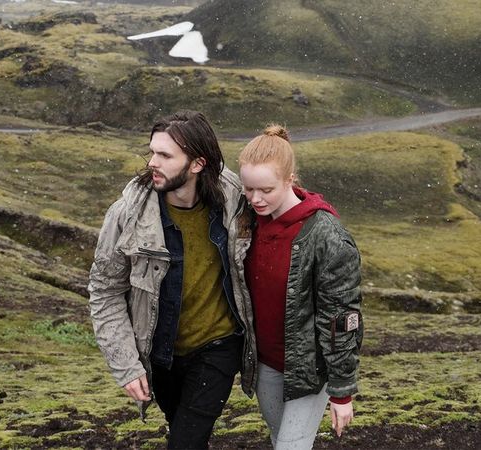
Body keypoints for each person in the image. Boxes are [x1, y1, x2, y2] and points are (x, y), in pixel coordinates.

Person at [87, 111, 257, 450]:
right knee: (184, 431)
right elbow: (105, 291)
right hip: (160, 355)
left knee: (185, 442)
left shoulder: (235, 198)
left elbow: (283, 200)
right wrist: (126, 364)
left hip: (218, 346)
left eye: (164, 155)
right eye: (152, 152)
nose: (153, 162)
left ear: (197, 164)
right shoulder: (126, 215)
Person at [238, 124, 363, 449]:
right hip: (265, 365)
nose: (255, 198)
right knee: (281, 439)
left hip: (310, 371)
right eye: (248, 189)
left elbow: (341, 317)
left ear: (290, 179)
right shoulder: (247, 219)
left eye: (265, 189)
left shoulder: (326, 237)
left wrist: (342, 390)